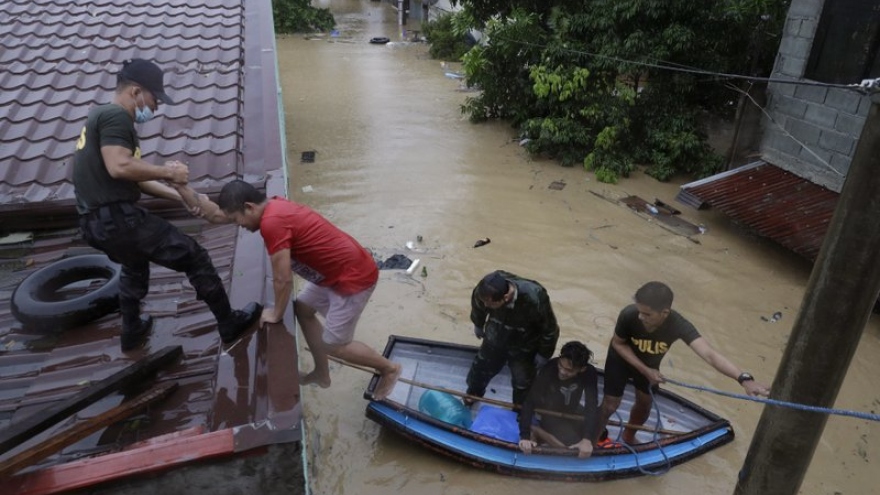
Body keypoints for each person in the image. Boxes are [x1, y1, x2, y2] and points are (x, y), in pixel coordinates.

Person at [72, 58, 262, 352]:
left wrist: (181, 195)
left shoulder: (99, 119)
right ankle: (229, 322)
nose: (157, 106)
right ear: (136, 91)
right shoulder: (115, 116)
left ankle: (132, 331)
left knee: (135, 265)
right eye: (154, 98)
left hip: (95, 224)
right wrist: (169, 171)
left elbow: (135, 179)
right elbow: (119, 167)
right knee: (194, 256)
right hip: (117, 218)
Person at [214, 180, 402, 400]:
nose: (241, 226)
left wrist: (275, 314)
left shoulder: (271, 223)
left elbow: (283, 279)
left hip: (353, 278)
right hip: (332, 274)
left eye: (238, 220)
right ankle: (322, 374)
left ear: (249, 207)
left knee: (335, 346)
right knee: (302, 309)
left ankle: (390, 369)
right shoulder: (274, 207)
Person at [596, 281, 771, 444]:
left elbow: (709, 354)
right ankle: (594, 438)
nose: (641, 317)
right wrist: (645, 370)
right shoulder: (629, 314)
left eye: (647, 314)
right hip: (621, 359)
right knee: (611, 403)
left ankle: (628, 436)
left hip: (649, 366)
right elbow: (618, 344)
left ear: (664, 313)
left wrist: (744, 379)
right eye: (639, 311)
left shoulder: (678, 325)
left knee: (645, 402)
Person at [466, 270, 560, 406]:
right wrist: (478, 323)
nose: (486, 306)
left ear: (505, 297)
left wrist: (544, 354)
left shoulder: (535, 297)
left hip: (524, 345)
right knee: (479, 370)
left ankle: (520, 409)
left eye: (490, 304)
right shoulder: (485, 289)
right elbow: (478, 305)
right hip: (495, 337)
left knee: (523, 382)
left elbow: (550, 329)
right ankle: (472, 395)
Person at [518, 341, 598, 459]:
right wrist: (524, 436)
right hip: (550, 412)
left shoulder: (589, 372)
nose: (562, 372)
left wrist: (587, 439)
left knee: (597, 433)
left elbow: (591, 404)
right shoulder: (550, 367)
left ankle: (584, 441)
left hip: (572, 409)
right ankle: (536, 430)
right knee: (571, 448)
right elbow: (530, 401)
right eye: (561, 365)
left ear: (582, 369)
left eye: (569, 370)